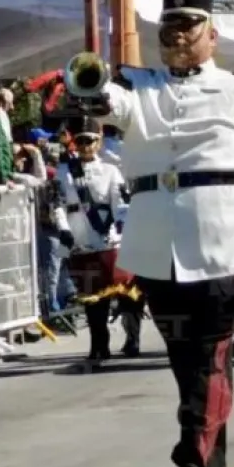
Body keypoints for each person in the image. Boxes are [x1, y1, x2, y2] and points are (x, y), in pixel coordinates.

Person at [92, 0, 234, 467]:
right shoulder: (139, 88)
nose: (177, 35)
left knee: (212, 354)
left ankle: (191, 459)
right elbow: (107, 102)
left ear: (212, 34)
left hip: (224, 244)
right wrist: (89, 87)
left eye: (188, 26)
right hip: (158, 250)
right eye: (169, 27)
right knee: (191, 365)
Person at [52, 118, 133, 361]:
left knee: (116, 290)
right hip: (79, 238)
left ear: (99, 143)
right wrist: (63, 228)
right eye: (81, 141)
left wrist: (119, 222)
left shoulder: (110, 170)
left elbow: (120, 202)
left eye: (91, 141)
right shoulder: (65, 172)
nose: (86, 146)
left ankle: (131, 337)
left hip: (106, 237)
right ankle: (99, 343)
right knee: (90, 296)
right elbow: (57, 204)